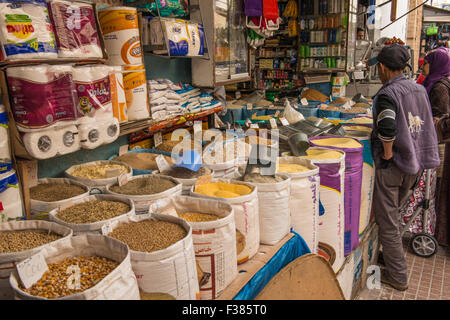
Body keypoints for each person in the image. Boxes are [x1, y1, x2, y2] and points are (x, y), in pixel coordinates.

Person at [368, 44, 440, 291]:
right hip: (414, 164)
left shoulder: (388, 93)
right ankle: (390, 257)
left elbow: (387, 126)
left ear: (382, 67)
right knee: (395, 216)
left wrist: (387, 154)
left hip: (394, 164)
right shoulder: (418, 88)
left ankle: (398, 277)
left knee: (387, 222)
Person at [422, 47, 450, 246]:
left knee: (439, 186)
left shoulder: (439, 87)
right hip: (438, 140)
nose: (423, 65)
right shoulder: (437, 81)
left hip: (439, 143)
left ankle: (438, 231)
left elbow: (440, 118)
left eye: (426, 62)